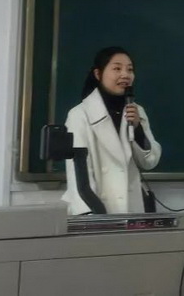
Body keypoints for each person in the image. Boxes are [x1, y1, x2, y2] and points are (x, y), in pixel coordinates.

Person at [62, 46, 161, 215]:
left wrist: (138, 129)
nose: (125, 75)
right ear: (98, 74)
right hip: (96, 211)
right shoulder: (79, 115)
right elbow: (77, 175)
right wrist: (92, 215)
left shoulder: (136, 111)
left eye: (130, 70)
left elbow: (149, 162)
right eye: (117, 68)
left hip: (133, 210)